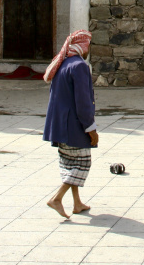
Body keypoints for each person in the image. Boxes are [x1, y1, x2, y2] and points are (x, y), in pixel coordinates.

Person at [43, 29, 98, 218]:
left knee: (69, 162)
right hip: (73, 126)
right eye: (88, 45)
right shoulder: (79, 66)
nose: (88, 49)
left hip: (59, 126)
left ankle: (77, 203)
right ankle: (57, 198)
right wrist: (91, 129)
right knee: (82, 163)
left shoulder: (63, 64)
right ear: (82, 47)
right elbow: (83, 102)